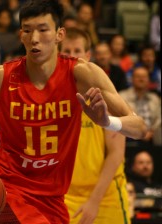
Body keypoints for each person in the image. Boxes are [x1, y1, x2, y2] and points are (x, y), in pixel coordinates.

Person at [0, 1, 146, 223]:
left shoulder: (82, 74)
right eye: (27, 30)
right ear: (21, 35)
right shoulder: (1, 77)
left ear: (60, 34)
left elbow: (139, 128)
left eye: (43, 29)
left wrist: (107, 121)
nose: (34, 38)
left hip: (53, 199)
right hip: (9, 187)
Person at [60, 28, 130, 224]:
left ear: (87, 56)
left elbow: (116, 153)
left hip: (106, 194)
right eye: (67, 51)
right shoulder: (49, 99)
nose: (72, 56)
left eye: (77, 51)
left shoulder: (107, 96)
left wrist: (94, 201)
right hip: (64, 195)